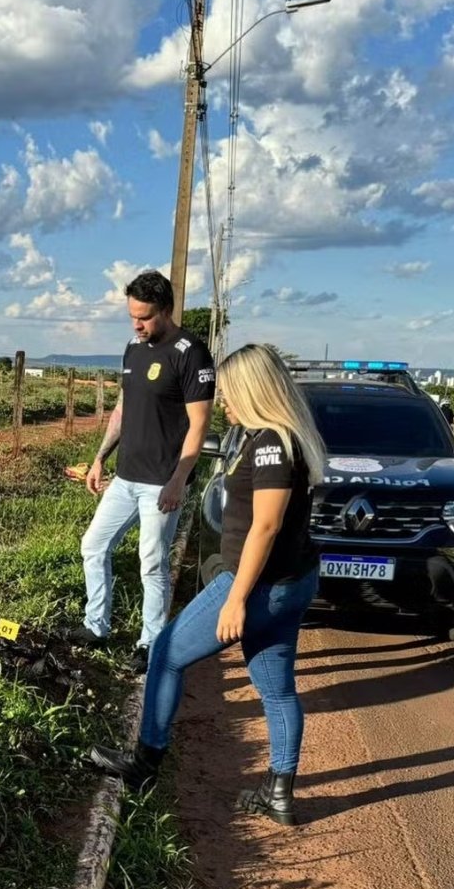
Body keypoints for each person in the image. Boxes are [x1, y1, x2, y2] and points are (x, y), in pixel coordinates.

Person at [91, 343, 325, 826]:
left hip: (256, 582)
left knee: (165, 653)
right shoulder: (282, 439)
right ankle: (279, 793)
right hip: (290, 581)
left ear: (255, 391)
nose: (223, 403)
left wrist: (237, 599)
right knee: (276, 688)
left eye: (231, 393)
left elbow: (265, 526)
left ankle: (145, 762)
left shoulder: (270, 445)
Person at [71, 269, 215, 663]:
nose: (138, 324)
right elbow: (122, 408)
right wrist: (100, 458)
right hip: (126, 477)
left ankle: (152, 644)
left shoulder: (191, 352)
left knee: (151, 563)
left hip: (162, 482)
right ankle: (96, 625)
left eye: (146, 316)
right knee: (93, 546)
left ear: (166, 310)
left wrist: (178, 480)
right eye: (133, 315)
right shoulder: (134, 349)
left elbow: (200, 423)